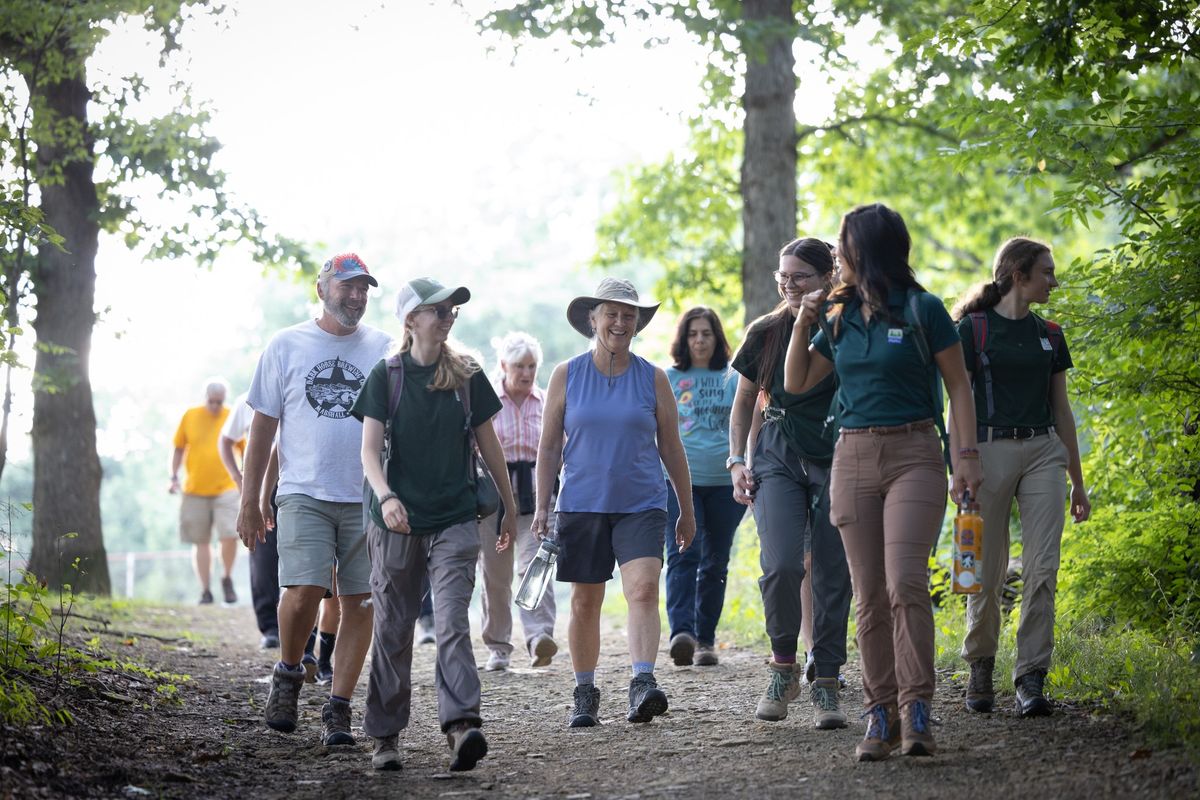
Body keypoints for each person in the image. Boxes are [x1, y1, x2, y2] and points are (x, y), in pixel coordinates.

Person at [783, 203, 981, 761]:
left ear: (864, 249)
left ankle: (918, 709)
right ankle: (880, 714)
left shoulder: (924, 309)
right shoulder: (838, 315)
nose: (835, 256)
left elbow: (960, 387)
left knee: (905, 585)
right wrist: (803, 321)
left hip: (916, 452)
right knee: (867, 596)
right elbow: (796, 382)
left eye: (842, 246)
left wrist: (966, 456)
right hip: (852, 456)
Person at [354, 277, 517, 773]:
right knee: (394, 628)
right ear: (411, 320)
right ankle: (385, 736)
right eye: (438, 309)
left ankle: (463, 726)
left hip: (454, 516)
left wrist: (508, 506)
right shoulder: (387, 375)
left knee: (450, 622)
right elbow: (368, 451)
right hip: (396, 520)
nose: (448, 317)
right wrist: (386, 498)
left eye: (452, 310)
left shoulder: (467, 375)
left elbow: (490, 447)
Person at [236, 252, 392, 747]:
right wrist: (251, 499)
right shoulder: (286, 345)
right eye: (347, 286)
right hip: (303, 489)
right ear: (323, 287)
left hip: (366, 496)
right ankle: (287, 672)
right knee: (303, 592)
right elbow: (263, 427)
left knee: (360, 603)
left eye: (364, 288)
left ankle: (339, 708)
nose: (356, 296)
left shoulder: (385, 349)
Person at [533, 277, 696, 728]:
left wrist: (686, 506)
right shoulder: (567, 374)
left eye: (629, 315)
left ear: (638, 323)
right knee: (585, 602)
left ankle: (642, 681)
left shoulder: (653, 377)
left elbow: (672, 447)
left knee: (643, 589)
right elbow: (548, 447)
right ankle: (584, 691)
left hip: (642, 501)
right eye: (612, 313)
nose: (620, 322)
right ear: (593, 319)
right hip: (582, 503)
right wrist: (543, 505)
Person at [951, 237, 1091, 717]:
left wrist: (1077, 479)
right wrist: (961, 462)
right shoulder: (972, 330)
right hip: (987, 451)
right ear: (1017, 275)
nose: (1054, 280)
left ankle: (1031, 676)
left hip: (1043, 452)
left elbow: (1063, 410)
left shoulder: (1050, 333)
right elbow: (959, 401)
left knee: (1043, 568)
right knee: (984, 572)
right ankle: (981, 665)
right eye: (1047, 272)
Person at [727, 239, 852, 728]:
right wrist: (737, 460)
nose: (789, 284)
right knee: (780, 564)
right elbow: (743, 401)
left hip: (839, 453)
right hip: (778, 452)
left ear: (827, 276)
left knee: (831, 570)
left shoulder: (849, 325)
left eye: (799, 276)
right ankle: (783, 668)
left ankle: (827, 681)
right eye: (783, 276)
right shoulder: (767, 331)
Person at [662, 308, 743, 668]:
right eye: (693, 333)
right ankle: (683, 633)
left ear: (717, 338)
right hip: (680, 481)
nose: (699, 340)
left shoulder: (733, 377)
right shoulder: (667, 378)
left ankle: (706, 640)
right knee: (683, 553)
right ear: (683, 338)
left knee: (715, 561)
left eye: (706, 333)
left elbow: (747, 423)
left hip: (726, 483)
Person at [477, 331, 560, 671]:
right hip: (494, 496)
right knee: (496, 576)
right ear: (503, 366)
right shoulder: (488, 402)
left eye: (532, 366)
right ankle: (498, 646)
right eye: (519, 366)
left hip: (539, 496)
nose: (526, 373)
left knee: (535, 565)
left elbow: (561, 448)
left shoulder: (546, 401)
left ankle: (539, 635)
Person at [170, 379, 239, 606]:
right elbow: (179, 448)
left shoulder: (231, 416)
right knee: (201, 541)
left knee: (229, 534)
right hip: (195, 489)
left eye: (220, 402)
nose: (215, 406)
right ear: (205, 398)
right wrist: (174, 477)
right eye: (212, 401)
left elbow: (246, 447)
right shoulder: (190, 415)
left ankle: (227, 578)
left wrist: (246, 478)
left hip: (227, 488)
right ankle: (205, 590)